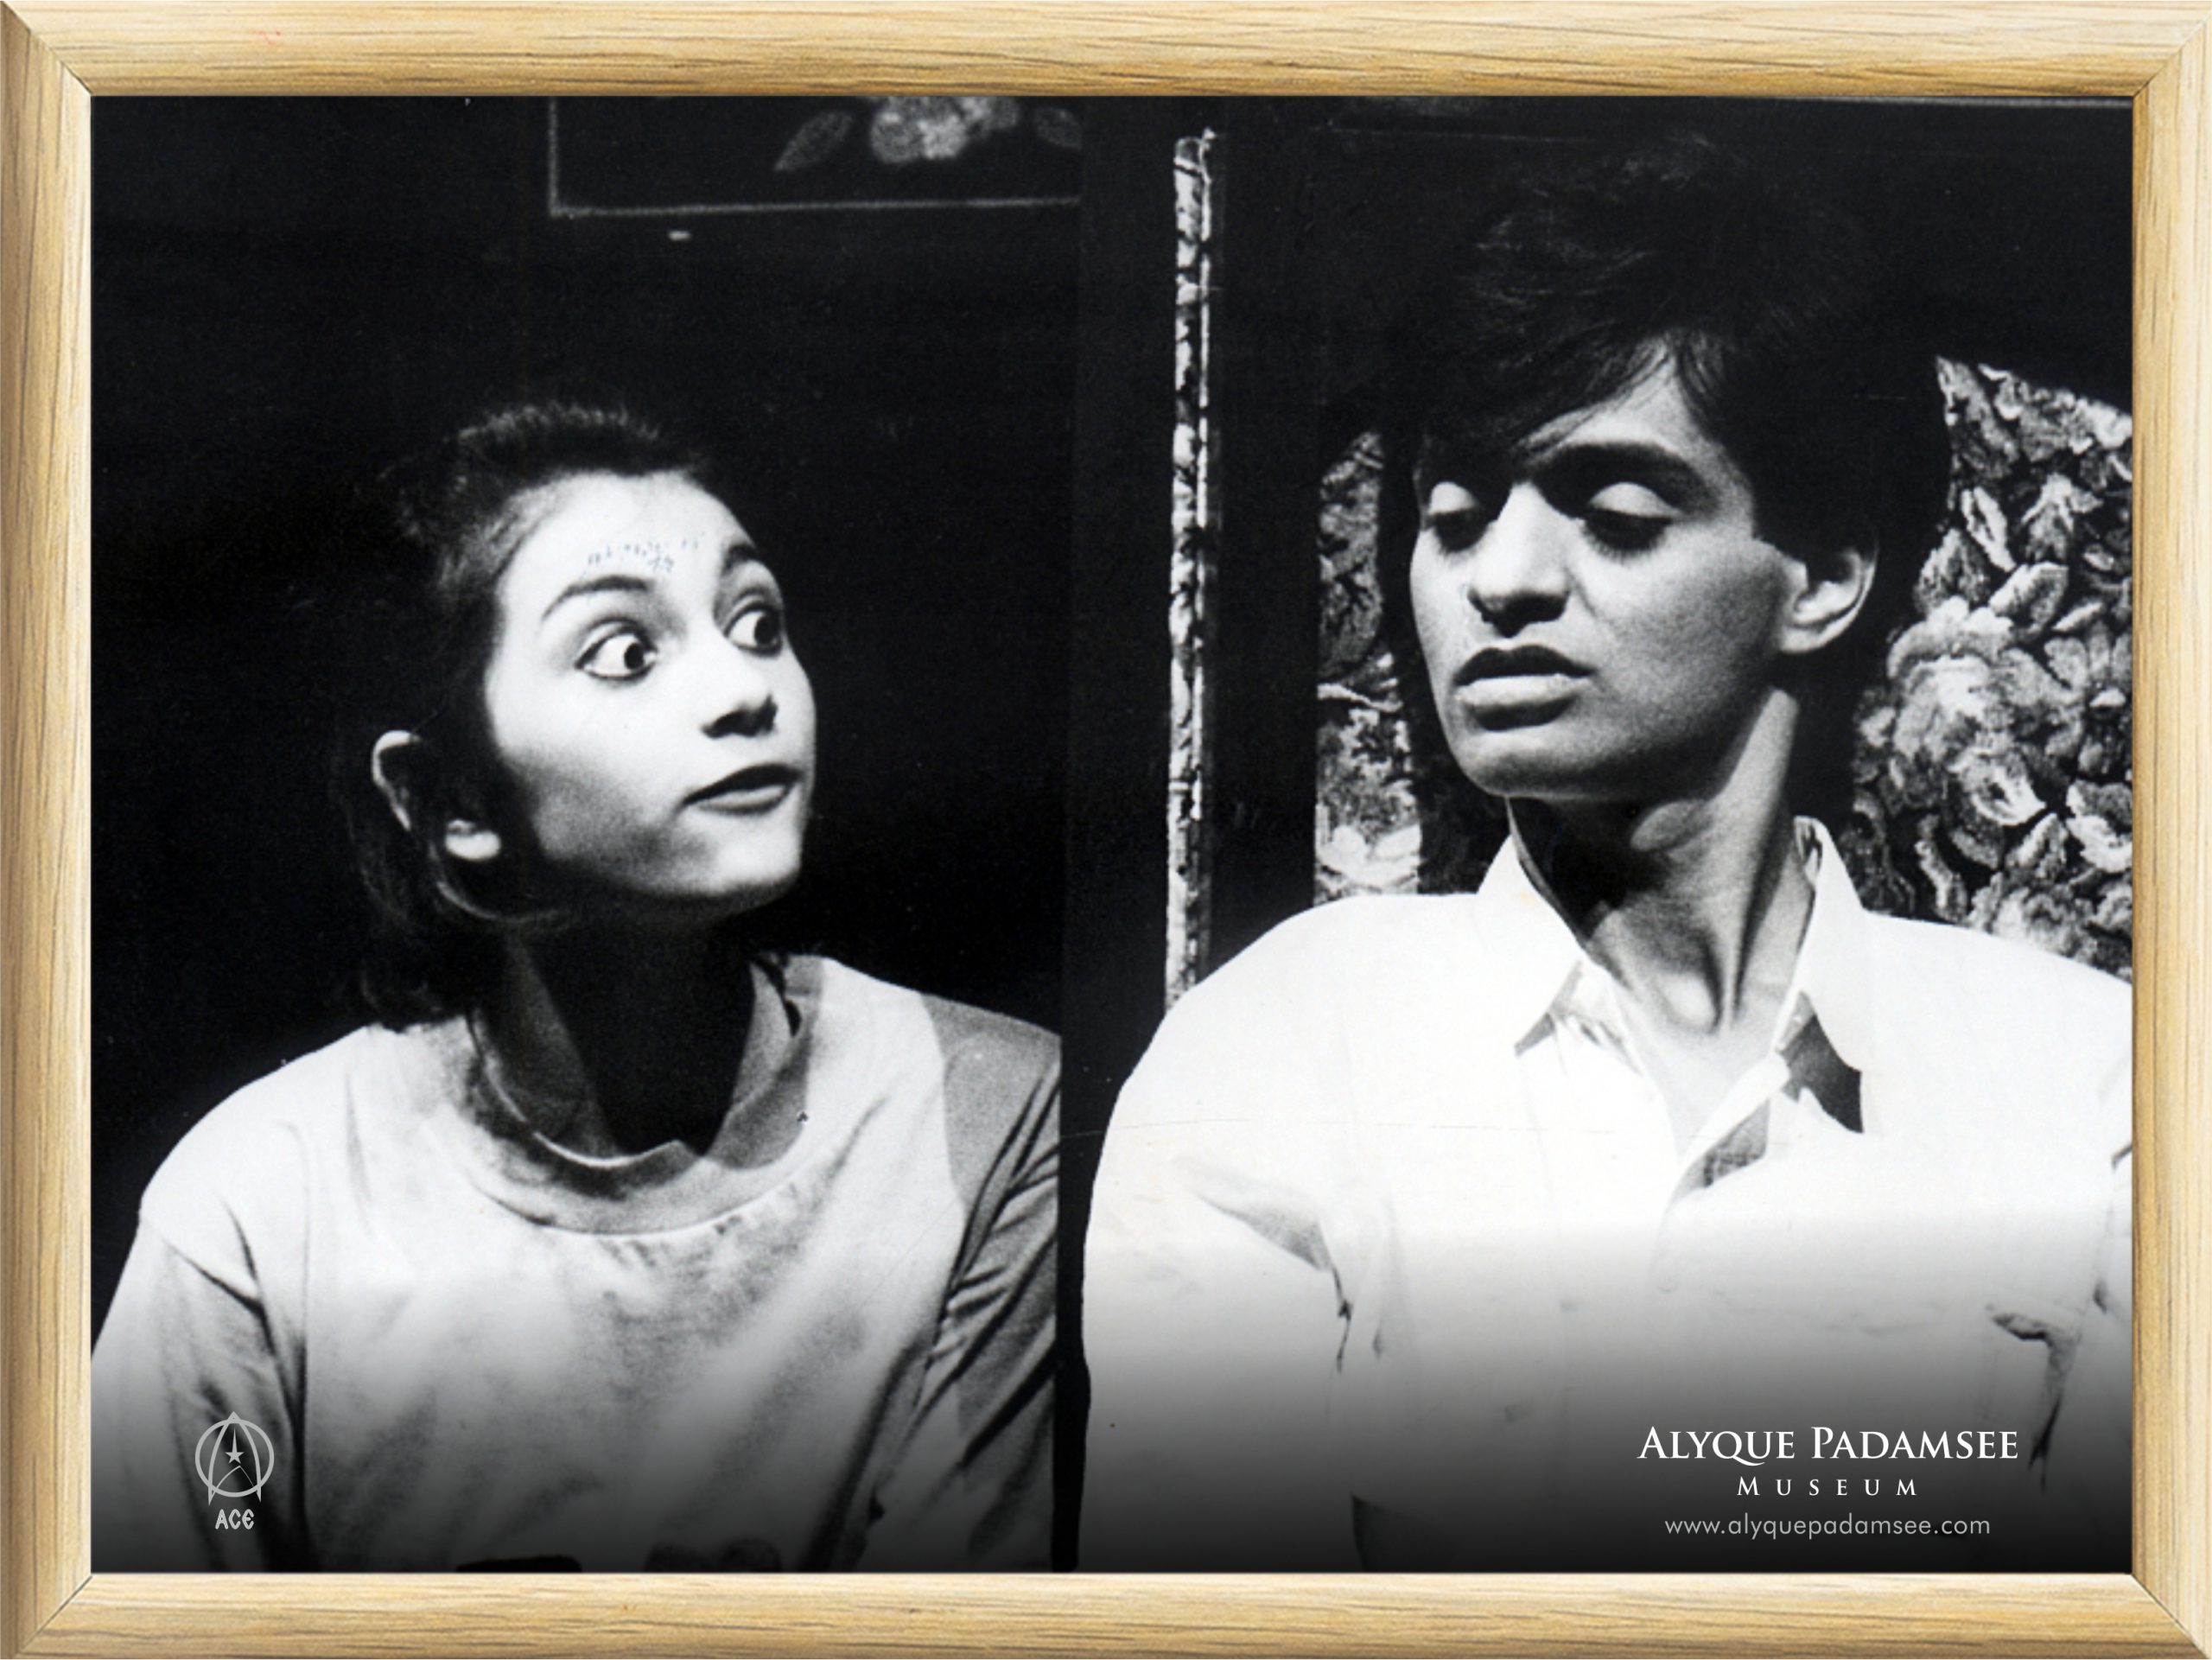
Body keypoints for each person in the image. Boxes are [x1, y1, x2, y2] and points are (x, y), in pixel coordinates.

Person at [1082, 136, 2131, 1570]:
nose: (1501, 581)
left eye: (1618, 516)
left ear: (1824, 577)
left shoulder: (2085, 1082)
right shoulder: (1282, 1049)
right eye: (1454, 517)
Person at [92, 403, 1058, 1572]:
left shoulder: (983, 1115)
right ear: (450, 797)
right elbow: (180, 1605)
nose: (745, 691)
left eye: (757, 624)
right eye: (626, 652)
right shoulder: (261, 1202)